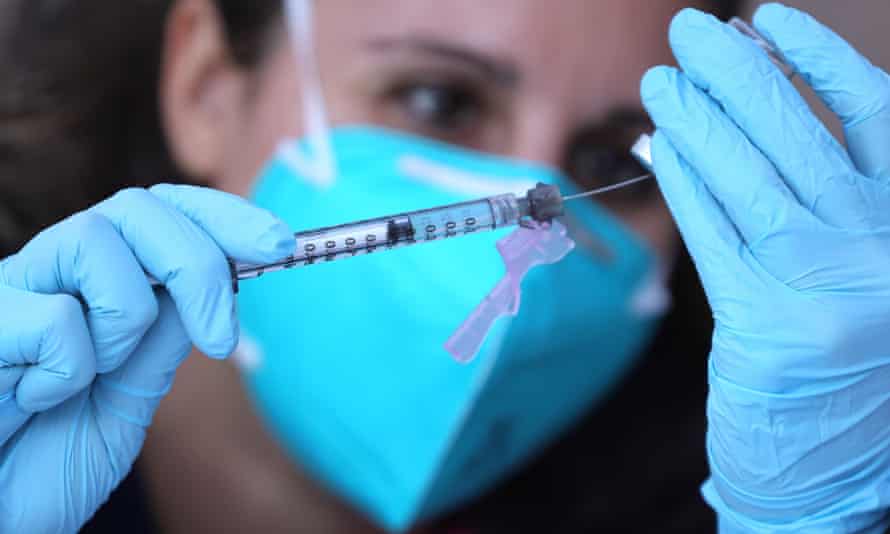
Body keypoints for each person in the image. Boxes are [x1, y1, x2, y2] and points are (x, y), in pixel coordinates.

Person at [1, 2, 887, 534]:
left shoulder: (736, 490)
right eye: (439, 100)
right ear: (205, 84)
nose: (534, 201)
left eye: (613, 157)